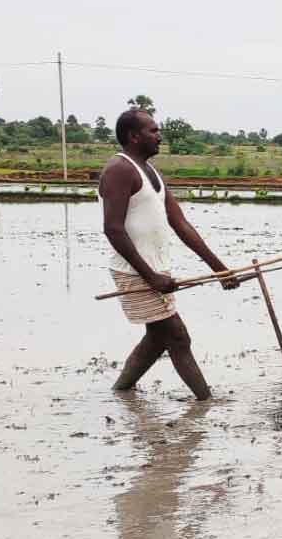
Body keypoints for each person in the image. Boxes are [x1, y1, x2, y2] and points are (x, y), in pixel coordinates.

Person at [99, 109, 239, 399]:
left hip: (155, 270)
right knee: (177, 336)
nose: (159, 135)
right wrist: (150, 277)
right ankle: (206, 402)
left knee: (156, 339)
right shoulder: (119, 170)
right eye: (153, 131)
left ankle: (120, 392)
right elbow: (113, 230)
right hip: (136, 271)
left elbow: (180, 223)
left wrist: (219, 269)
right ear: (133, 136)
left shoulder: (150, 172)